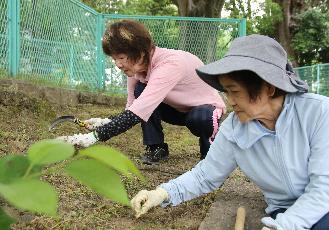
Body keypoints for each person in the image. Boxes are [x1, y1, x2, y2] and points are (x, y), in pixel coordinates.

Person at [130, 34, 329, 230]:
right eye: (226, 92)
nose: (230, 101)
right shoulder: (235, 128)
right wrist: (162, 193)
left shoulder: (319, 113)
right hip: (284, 209)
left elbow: (323, 189)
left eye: (235, 91)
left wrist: (282, 226)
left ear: (268, 87)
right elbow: (205, 176)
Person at [57, 20, 226, 164]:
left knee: (201, 118)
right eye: (114, 58)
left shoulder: (170, 64)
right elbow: (132, 109)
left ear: (139, 52)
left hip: (204, 110)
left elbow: (137, 112)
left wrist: (90, 138)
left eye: (121, 58)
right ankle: (156, 147)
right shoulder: (137, 71)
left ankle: (211, 154)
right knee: (141, 90)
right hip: (175, 110)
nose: (117, 64)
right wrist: (103, 122)